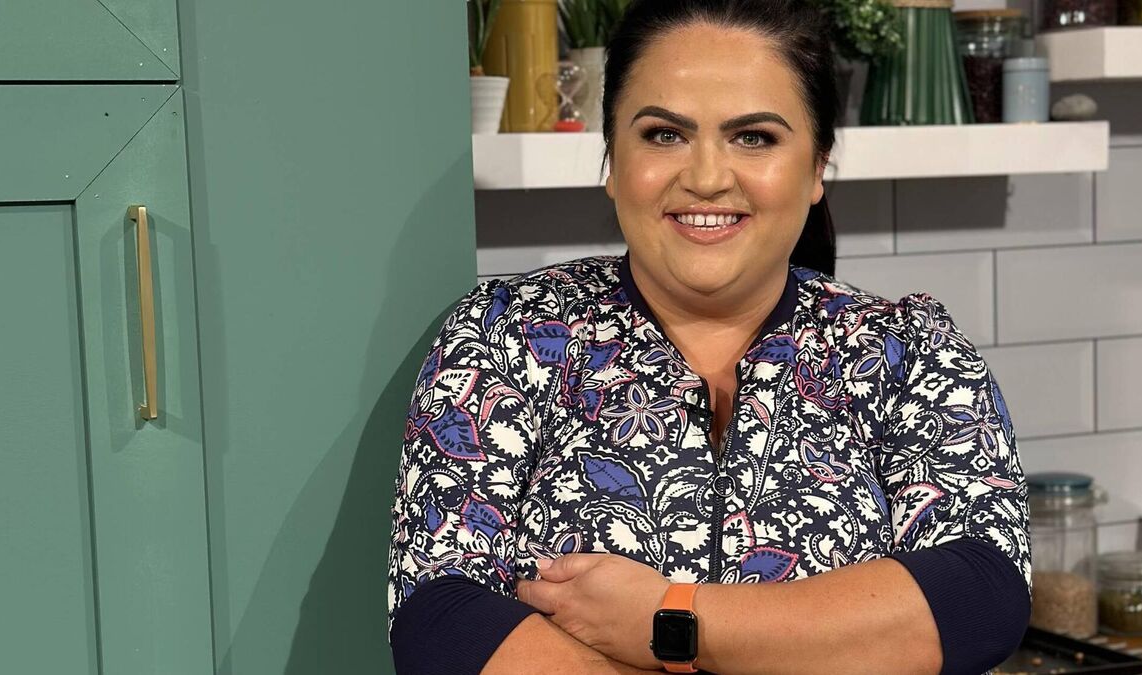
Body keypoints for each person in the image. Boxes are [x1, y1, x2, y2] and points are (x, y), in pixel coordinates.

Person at [387, 1, 1031, 673]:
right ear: (612, 160)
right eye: (664, 134)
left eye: (754, 137)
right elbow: (441, 621)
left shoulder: (906, 350)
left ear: (817, 167)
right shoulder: (506, 335)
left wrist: (669, 618)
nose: (706, 177)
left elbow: (979, 595)